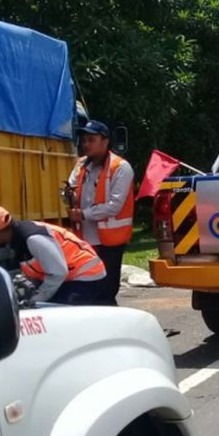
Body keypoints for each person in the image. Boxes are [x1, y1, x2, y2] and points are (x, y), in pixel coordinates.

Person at [0, 205, 106, 305]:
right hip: (71, 275)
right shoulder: (17, 237)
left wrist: (36, 300)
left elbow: (58, 273)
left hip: (87, 276)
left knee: (56, 312)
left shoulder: (34, 240)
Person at [68, 120, 135, 306]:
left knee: (106, 289)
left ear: (105, 142)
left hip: (110, 240)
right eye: (84, 140)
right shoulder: (81, 165)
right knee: (89, 287)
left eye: (91, 139)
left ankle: (114, 327)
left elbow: (115, 205)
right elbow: (72, 188)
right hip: (85, 239)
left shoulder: (120, 167)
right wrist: (69, 197)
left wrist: (83, 214)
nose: (85, 144)